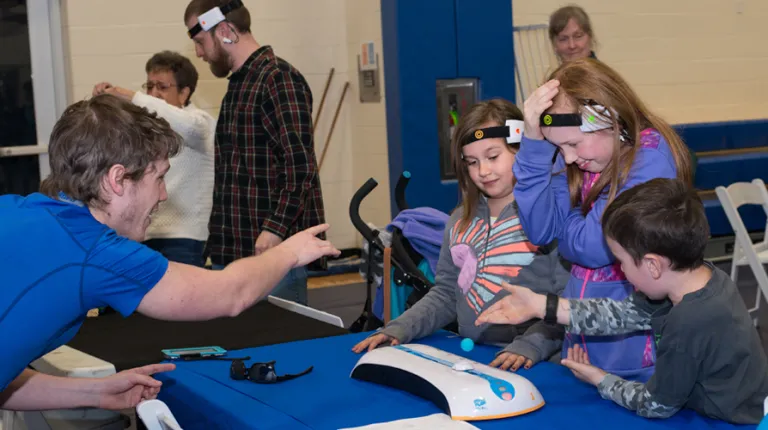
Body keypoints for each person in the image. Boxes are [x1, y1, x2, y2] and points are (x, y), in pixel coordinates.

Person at [0, 94, 340, 411]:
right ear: (117, 180)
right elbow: (230, 294)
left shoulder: (18, 210)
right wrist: (289, 253)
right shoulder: (94, 251)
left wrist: (97, 391)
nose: (163, 195)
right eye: (159, 177)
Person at [476, 178, 768, 424]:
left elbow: (656, 405)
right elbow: (621, 314)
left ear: (653, 265)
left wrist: (600, 379)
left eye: (621, 262)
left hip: (728, 422)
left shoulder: (690, 321)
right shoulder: (698, 277)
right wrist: (542, 305)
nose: (620, 271)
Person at [352, 99, 569, 371]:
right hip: (473, 358)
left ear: (522, 149)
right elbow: (446, 294)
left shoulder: (548, 218)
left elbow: (566, 302)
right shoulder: (459, 220)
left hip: (533, 362)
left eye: (493, 157)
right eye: (472, 162)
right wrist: (399, 328)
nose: (483, 171)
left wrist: (530, 345)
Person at [512, 58, 693, 381]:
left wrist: (566, 227)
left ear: (608, 118)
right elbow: (539, 230)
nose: (568, 157)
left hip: (638, 356)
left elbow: (591, 246)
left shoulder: (649, 158)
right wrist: (534, 144)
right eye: (558, 147)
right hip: (584, 341)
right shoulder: (581, 160)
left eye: (572, 144)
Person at [184, 0, 324, 305]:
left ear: (224, 31)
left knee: (282, 346)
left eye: (199, 41)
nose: (198, 53)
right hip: (234, 252)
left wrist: (274, 228)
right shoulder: (240, 84)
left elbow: (300, 168)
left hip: (273, 255)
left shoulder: (278, 79)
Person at [93, 51, 215, 267]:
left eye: (162, 87)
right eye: (149, 86)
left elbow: (189, 127)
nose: (153, 93)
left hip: (185, 238)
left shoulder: (200, 123)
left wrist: (130, 96)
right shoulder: (148, 128)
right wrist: (107, 102)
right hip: (143, 233)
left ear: (184, 93)